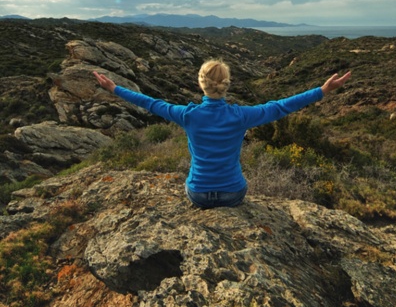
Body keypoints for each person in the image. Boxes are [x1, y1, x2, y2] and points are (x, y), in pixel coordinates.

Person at [93, 60, 351, 209]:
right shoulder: (240, 116)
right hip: (233, 193)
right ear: (227, 85)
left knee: (192, 179)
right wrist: (322, 90)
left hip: (198, 194)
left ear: (201, 83)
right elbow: (280, 106)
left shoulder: (187, 115)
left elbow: (150, 102)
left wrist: (115, 88)